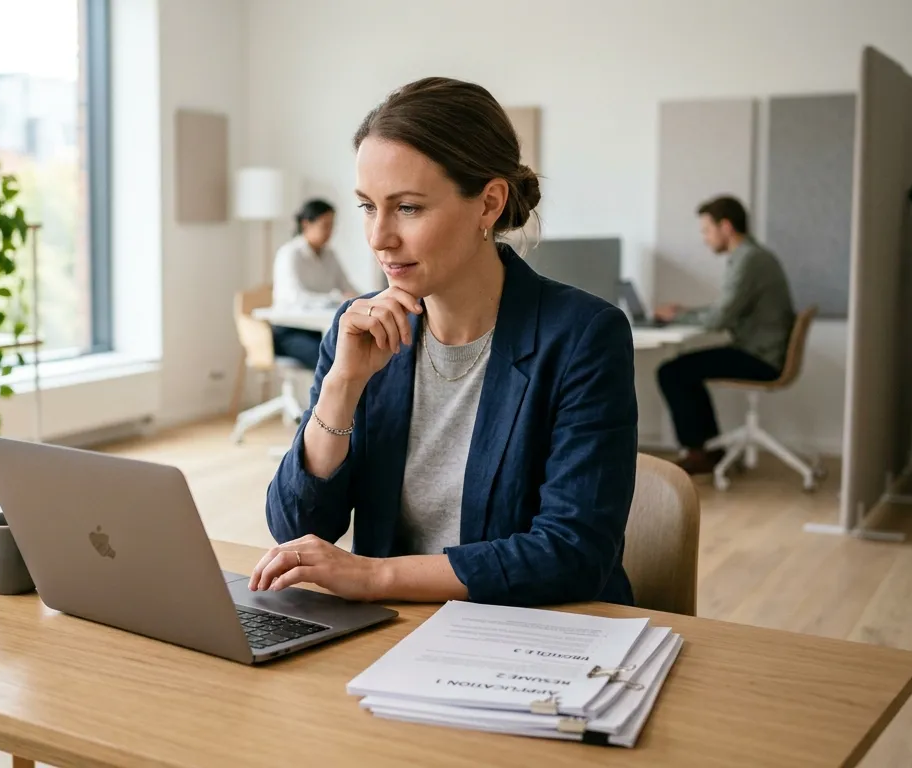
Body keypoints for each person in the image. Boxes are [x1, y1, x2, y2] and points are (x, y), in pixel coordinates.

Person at [249, 77, 639, 608]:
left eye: (407, 207)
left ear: (489, 204)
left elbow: (572, 553)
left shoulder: (583, 337)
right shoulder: (359, 328)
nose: (379, 237)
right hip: (393, 636)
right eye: (368, 206)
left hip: (534, 637)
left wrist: (374, 578)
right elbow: (297, 524)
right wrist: (341, 387)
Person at [652, 196, 796, 475]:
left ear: (726, 227)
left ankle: (700, 452)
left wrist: (679, 316)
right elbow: (723, 310)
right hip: (760, 349)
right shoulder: (752, 256)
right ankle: (708, 449)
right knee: (682, 369)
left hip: (760, 356)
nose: (705, 238)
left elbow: (719, 318)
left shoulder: (749, 260)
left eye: (707, 230)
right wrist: (684, 313)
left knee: (672, 371)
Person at [270, 199, 358, 370]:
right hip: (289, 331)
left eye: (332, 226)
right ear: (306, 224)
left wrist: (366, 301)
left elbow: (347, 287)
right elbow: (296, 298)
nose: (330, 232)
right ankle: (324, 397)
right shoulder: (290, 254)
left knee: (353, 352)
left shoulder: (330, 254)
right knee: (330, 359)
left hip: (319, 329)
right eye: (325, 225)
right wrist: (336, 299)